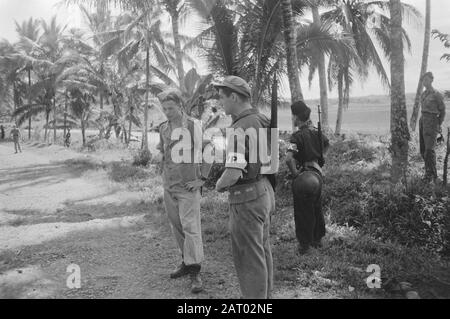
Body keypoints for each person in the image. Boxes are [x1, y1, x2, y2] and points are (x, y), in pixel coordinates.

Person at [214, 76, 275, 299]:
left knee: (248, 257)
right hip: (263, 191)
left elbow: (233, 172)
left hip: (246, 199)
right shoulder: (262, 119)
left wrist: (218, 185)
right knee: (262, 250)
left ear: (234, 96)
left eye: (222, 97)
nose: (221, 102)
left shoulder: (239, 127)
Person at [154, 89, 211, 294]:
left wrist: (202, 179)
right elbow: (163, 153)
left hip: (188, 187)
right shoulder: (163, 128)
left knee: (191, 228)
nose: (167, 112)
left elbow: (209, 149)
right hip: (170, 186)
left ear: (180, 106)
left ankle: (195, 270)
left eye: (171, 108)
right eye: (165, 108)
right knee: (177, 228)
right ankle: (186, 262)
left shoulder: (193, 126)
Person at [285, 101, 329, 255]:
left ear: (297, 117)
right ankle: (317, 240)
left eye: (293, 116)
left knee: (303, 211)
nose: (293, 119)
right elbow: (326, 146)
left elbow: (288, 159)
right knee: (316, 208)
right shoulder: (317, 133)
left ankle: (304, 246)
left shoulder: (296, 137)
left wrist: (296, 174)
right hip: (317, 175)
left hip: (304, 175)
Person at [419, 72, 446, 183]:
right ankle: (430, 173)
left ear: (431, 80)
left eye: (426, 79)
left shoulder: (437, 95)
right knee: (423, 150)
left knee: (429, 150)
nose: (424, 82)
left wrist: (438, 124)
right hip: (423, 121)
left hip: (432, 122)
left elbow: (443, 111)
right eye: (423, 80)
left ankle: (431, 175)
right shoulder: (423, 94)